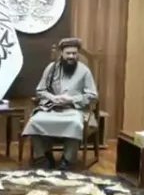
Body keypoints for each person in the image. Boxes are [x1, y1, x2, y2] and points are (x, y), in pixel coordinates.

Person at [22, 37, 98, 170]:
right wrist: (52, 97)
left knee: (75, 124)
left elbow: (92, 95)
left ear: (78, 54)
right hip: (51, 107)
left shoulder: (84, 71)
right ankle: (44, 157)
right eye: (68, 53)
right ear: (61, 53)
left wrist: (71, 99)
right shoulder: (51, 68)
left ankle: (66, 160)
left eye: (74, 53)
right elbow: (40, 90)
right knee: (34, 122)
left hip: (73, 109)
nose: (71, 56)